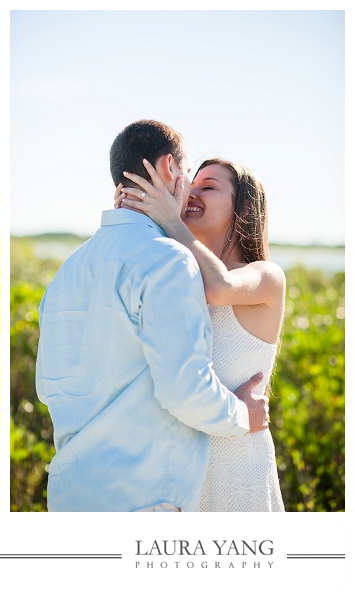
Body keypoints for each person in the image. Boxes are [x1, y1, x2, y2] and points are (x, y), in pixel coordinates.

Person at [35, 119, 269, 512]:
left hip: (70, 493)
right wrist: (242, 414)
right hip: (143, 497)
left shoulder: (68, 270)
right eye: (187, 172)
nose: (190, 188)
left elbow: (50, 387)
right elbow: (185, 390)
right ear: (167, 170)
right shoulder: (169, 260)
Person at [115, 157, 285, 511]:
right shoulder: (179, 272)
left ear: (245, 209)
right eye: (192, 185)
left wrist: (169, 219)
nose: (192, 192)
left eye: (208, 186)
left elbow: (219, 287)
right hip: (177, 471)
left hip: (237, 464)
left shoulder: (266, 276)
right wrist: (132, 217)